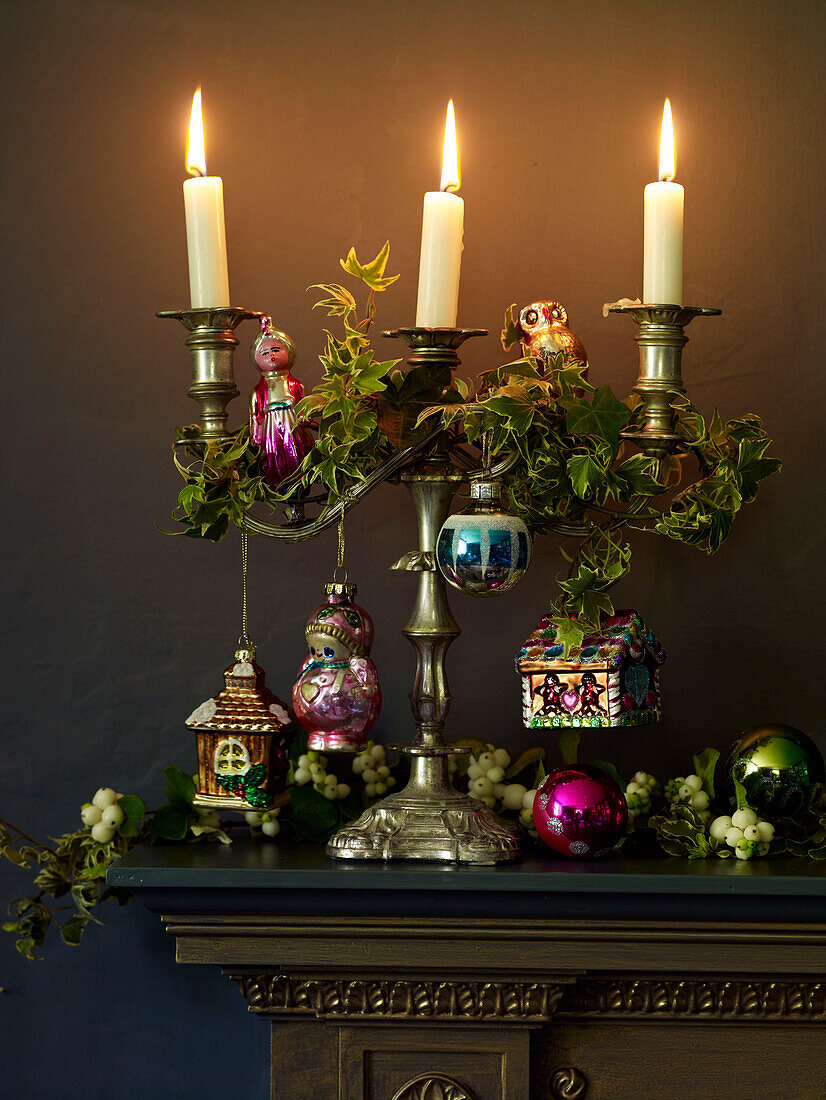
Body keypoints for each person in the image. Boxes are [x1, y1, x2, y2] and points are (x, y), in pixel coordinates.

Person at [249, 316, 312, 487]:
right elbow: (255, 414)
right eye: (265, 353)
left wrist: (305, 417)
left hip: (293, 423)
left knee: (297, 449)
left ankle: (301, 477)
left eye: (276, 350)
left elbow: (305, 407)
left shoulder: (296, 385)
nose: (272, 356)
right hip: (271, 428)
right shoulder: (259, 391)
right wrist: (256, 434)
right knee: (275, 454)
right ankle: (280, 481)